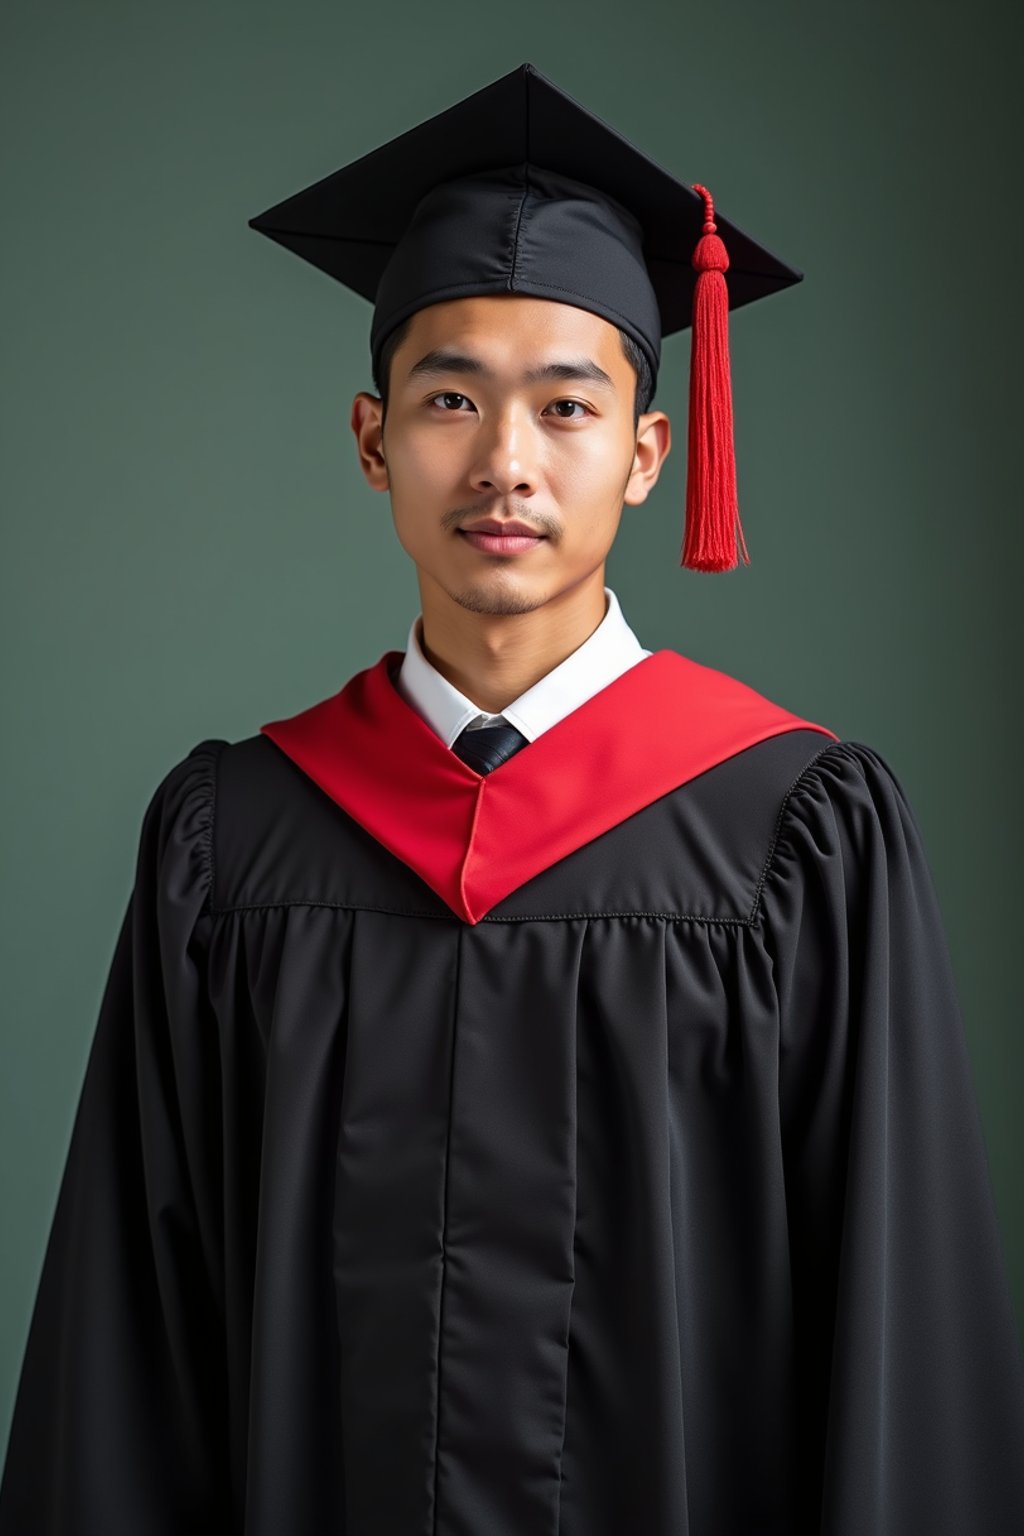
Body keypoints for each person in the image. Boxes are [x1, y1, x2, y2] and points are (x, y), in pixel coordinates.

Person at [2, 59, 1023, 1536]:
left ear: (647, 457)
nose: (503, 463)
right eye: (449, 398)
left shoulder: (798, 832)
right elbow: (130, 1354)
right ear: (372, 442)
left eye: (565, 405)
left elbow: (896, 1347)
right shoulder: (231, 845)